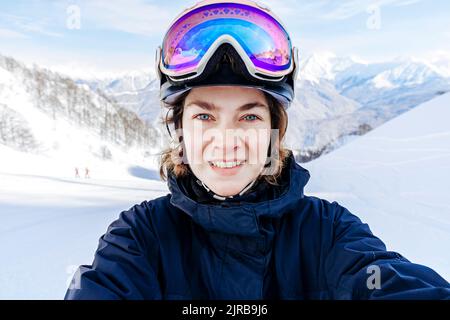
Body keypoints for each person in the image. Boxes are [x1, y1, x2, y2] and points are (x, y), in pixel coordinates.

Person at [65, 0, 450, 299]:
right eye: (204, 117)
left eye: (249, 117)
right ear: (179, 129)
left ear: (273, 130)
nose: (226, 138)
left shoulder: (327, 233)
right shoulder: (140, 238)